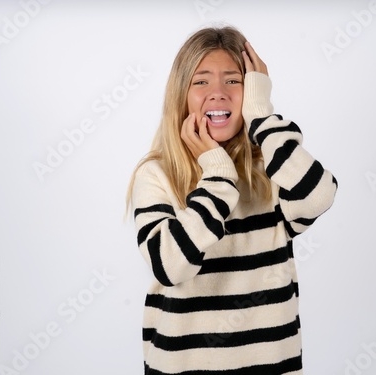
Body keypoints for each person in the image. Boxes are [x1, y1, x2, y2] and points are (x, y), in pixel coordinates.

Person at [126, 25, 338, 375]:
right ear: (180, 94)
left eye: (234, 81)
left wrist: (262, 115)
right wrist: (218, 174)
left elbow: (317, 197)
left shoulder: (273, 166)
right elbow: (171, 266)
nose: (218, 93)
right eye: (201, 81)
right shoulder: (157, 175)